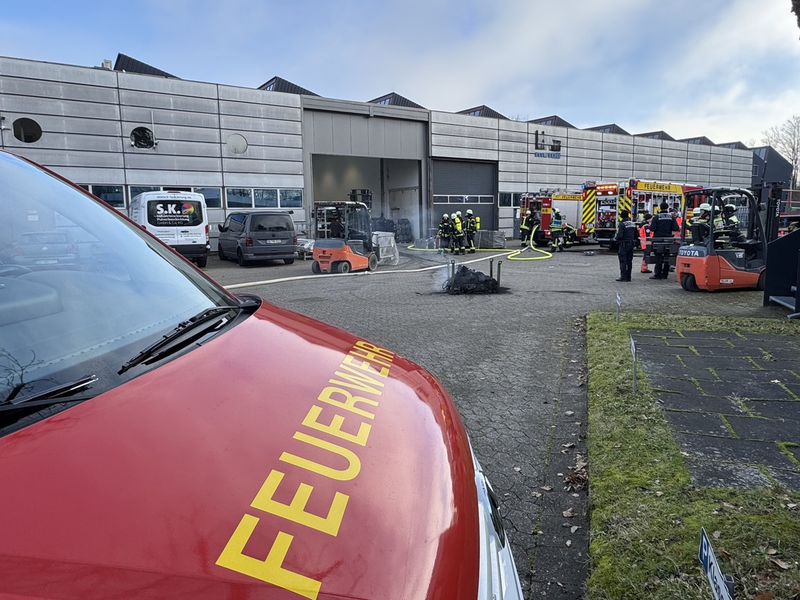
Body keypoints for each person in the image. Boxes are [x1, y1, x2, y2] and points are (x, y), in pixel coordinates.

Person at [649, 201, 679, 280]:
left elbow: (652, 228)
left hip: (658, 239)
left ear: (660, 208)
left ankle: (657, 274)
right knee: (667, 256)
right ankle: (665, 274)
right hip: (668, 239)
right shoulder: (671, 217)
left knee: (658, 256)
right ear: (667, 208)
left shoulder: (656, 217)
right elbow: (676, 228)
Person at [615, 209, 637, 282]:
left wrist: (616, 239)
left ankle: (623, 276)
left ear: (621, 216)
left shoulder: (622, 224)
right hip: (631, 244)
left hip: (624, 244)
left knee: (623, 261)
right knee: (629, 261)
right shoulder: (632, 223)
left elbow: (620, 235)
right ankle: (628, 276)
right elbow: (636, 234)